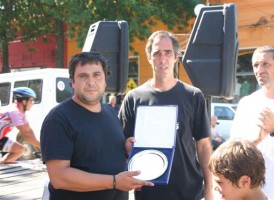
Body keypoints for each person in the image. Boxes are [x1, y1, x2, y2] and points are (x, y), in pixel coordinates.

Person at [40, 52, 153, 200]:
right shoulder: (58, 119)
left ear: (105, 80)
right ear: (72, 82)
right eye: (83, 76)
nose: (91, 82)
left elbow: (101, 156)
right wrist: (114, 182)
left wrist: (126, 151)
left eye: (97, 75)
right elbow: (59, 177)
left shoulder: (110, 112)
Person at [119, 30, 213, 200]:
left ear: (176, 56)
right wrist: (127, 147)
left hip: (189, 193)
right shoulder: (134, 98)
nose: (162, 59)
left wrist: (209, 191)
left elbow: (204, 146)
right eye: (157, 53)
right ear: (149, 57)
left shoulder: (193, 96)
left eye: (168, 53)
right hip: (148, 192)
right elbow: (121, 145)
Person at [230, 45, 274, 199]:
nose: (259, 70)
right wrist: (255, 140)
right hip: (256, 195)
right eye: (256, 65)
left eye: (265, 64)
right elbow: (233, 152)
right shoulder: (246, 103)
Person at [0, 87, 40, 163]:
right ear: (24, 102)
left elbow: (29, 131)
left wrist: (38, 146)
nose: (32, 103)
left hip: (1, 138)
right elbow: (25, 134)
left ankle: (2, 165)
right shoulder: (14, 111)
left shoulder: (21, 112)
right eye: (31, 100)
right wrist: (41, 147)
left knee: (20, 150)